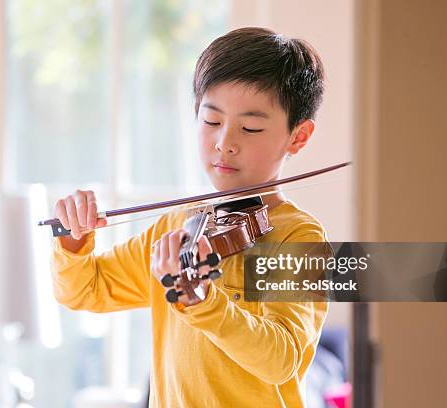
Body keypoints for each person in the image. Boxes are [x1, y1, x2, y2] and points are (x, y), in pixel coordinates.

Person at [51, 27, 329, 407]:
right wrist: (73, 239)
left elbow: (281, 359)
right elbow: (86, 289)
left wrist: (205, 302)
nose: (224, 142)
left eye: (250, 127)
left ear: (298, 136)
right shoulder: (178, 227)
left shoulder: (296, 236)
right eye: (211, 121)